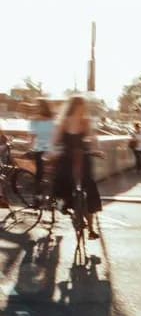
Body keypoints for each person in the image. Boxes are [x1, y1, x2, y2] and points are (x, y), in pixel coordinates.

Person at [52, 95, 102, 239]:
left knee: (90, 189)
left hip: (82, 158)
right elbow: (55, 140)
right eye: (80, 107)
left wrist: (96, 149)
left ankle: (91, 229)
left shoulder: (85, 121)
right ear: (74, 107)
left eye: (83, 108)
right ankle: (63, 205)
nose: (82, 110)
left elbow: (93, 138)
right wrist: (53, 150)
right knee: (62, 182)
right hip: (67, 158)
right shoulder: (64, 122)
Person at [30, 99, 55, 189]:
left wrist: (30, 147)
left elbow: (33, 136)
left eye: (37, 106)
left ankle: (38, 188)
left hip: (44, 148)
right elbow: (33, 136)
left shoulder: (35, 119)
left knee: (40, 171)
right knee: (44, 170)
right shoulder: (51, 118)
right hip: (47, 148)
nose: (36, 108)